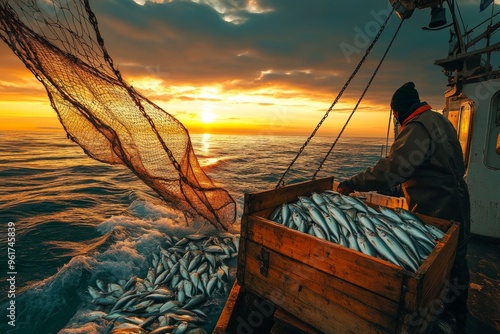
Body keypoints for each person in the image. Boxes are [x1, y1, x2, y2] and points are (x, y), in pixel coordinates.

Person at [337, 82, 470, 333]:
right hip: (459, 201)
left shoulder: (417, 127)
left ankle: (437, 320)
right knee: (455, 262)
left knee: (431, 266)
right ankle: (455, 319)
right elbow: (433, 164)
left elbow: (392, 168)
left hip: (438, 207)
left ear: (397, 113)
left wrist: (352, 183)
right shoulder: (440, 121)